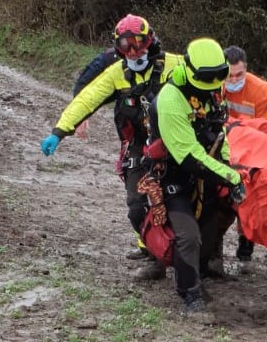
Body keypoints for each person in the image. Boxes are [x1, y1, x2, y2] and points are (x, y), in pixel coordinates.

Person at [40, 14, 181, 279]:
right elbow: (87, 98)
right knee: (137, 207)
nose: (133, 50)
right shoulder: (116, 73)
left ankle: (207, 255)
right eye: (125, 45)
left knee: (192, 200)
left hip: (176, 142)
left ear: (149, 40)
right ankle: (155, 257)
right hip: (139, 146)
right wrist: (59, 131)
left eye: (137, 43)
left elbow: (203, 83)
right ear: (117, 47)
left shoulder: (175, 65)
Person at [147, 37, 246, 319]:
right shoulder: (170, 99)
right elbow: (187, 155)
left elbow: (219, 130)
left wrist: (227, 163)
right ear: (191, 71)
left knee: (208, 230)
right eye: (208, 80)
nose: (215, 85)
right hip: (173, 174)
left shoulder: (213, 90)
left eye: (219, 78)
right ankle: (189, 295)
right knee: (187, 236)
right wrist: (230, 177)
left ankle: (199, 278)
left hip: (207, 172)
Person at [219, 45, 267, 271]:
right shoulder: (214, 85)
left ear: (246, 69)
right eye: (229, 75)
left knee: (247, 201)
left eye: (239, 74)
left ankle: (245, 251)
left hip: (252, 153)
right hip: (221, 149)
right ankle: (215, 251)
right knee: (218, 204)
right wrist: (245, 125)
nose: (234, 79)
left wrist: (232, 125)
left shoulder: (262, 91)